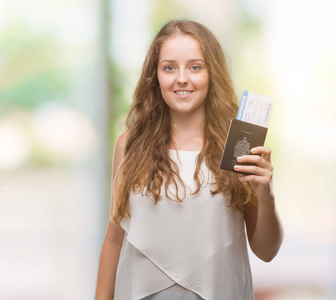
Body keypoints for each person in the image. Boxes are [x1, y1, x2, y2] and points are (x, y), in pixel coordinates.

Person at [95, 20, 283, 300]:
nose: (182, 78)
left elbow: (266, 252)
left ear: (211, 73)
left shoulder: (238, 147)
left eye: (195, 67)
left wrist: (265, 193)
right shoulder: (130, 146)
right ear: (155, 76)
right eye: (169, 67)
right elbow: (114, 239)